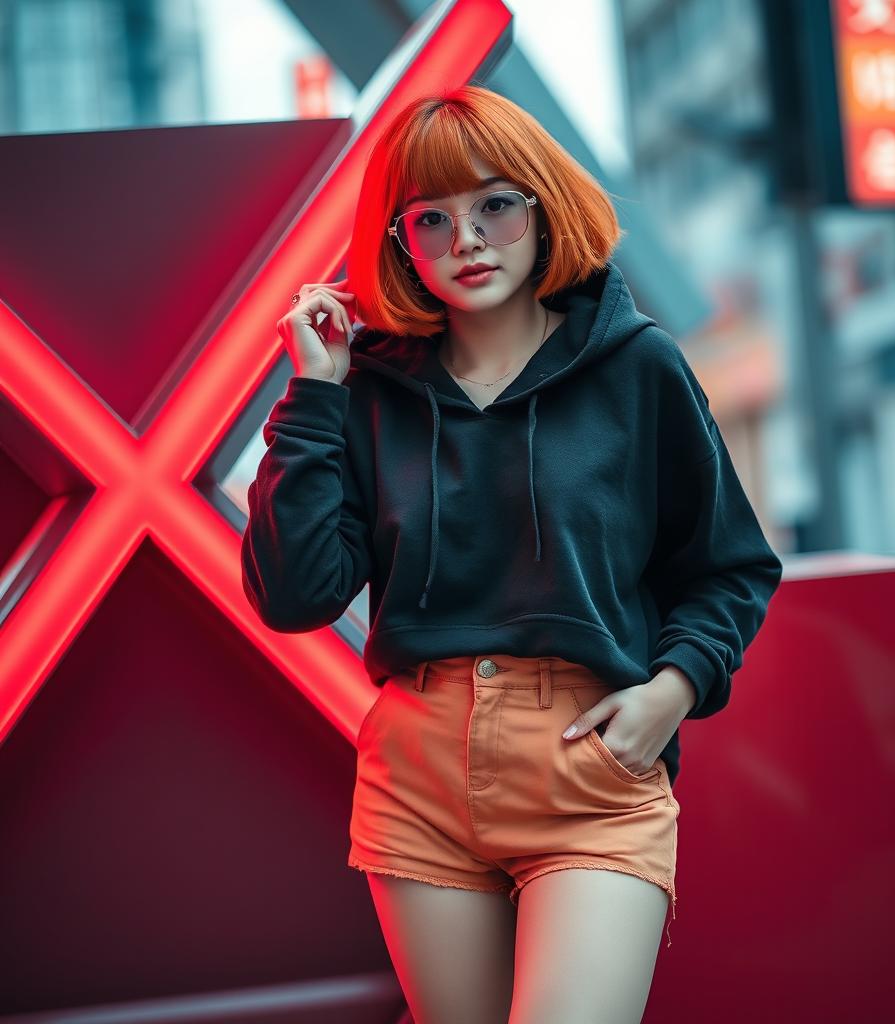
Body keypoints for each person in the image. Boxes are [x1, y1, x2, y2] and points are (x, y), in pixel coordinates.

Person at [241, 85, 783, 1024]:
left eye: (497, 203)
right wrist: (314, 398)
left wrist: (673, 691)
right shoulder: (367, 393)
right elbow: (295, 596)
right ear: (400, 242)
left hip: (588, 763)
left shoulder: (637, 367)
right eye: (432, 219)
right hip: (419, 769)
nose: (468, 240)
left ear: (542, 204)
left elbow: (729, 564)